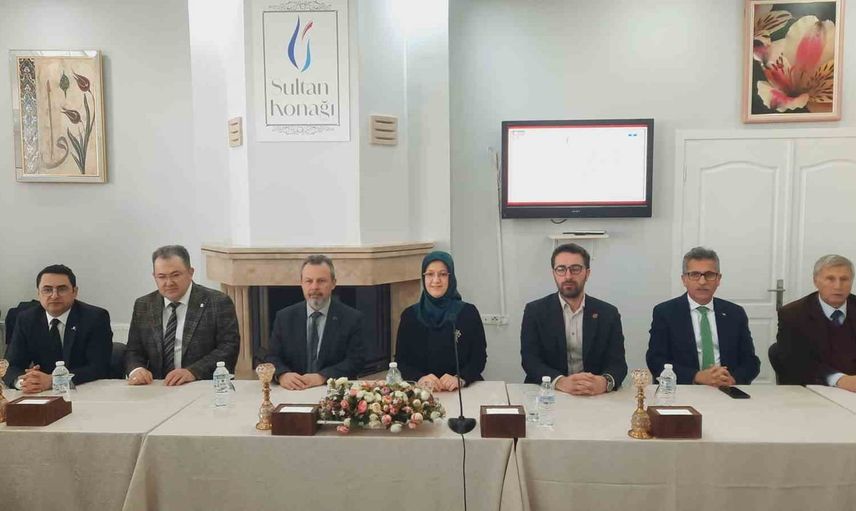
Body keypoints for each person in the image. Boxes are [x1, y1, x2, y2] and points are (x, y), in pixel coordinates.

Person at [521, 243, 627, 395]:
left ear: (587, 273)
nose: (568, 276)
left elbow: (618, 363)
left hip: (594, 394)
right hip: (549, 392)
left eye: (575, 269)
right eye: (561, 269)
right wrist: (560, 381)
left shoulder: (608, 313)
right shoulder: (535, 311)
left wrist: (604, 382)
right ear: (553, 273)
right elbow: (530, 360)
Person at [125, 245, 239, 385]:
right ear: (154, 277)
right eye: (161, 277)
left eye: (176, 275)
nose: (169, 283)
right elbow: (133, 350)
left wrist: (193, 372)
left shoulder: (217, 302)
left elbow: (228, 348)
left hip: (201, 384)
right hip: (157, 386)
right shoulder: (144, 305)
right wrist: (136, 369)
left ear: (190, 273)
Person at [646, 247, 760, 386]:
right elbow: (656, 361)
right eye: (694, 274)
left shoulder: (735, 313)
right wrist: (697, 376)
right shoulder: (665, 312)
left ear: (718, 279)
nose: (702, 281)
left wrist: (732, 379)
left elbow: (751, 362)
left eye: (709, 275)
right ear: (684, 280)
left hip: (726, 387)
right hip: (684, 388)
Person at [3, 264, 113, 392]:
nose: (54, 295)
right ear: (38, 293)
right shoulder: (26, 319)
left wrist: (54, 380)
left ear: (75, 292)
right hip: (41, 393)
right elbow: (11, 365)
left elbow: (98, 367)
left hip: (84, 390)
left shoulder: (95, 318)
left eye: (62, 289)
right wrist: (24, 382)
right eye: (47, 290)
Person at [264, 255, 365, 390]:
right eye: (309, 281)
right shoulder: (284, 317)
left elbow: (356, 361)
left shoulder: (351, 318)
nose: (314, 287)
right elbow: (272, 357)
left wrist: (322, 376)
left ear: (333, 283)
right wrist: (282, 375)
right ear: (301, 283)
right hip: (293, 391)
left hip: (332, 390)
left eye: (321, 281)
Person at [395, 251, 487, 391]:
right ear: (423, 277)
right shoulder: (410, 316)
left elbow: (479, 358)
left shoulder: (468, 313)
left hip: (460, 390)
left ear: (451, 277)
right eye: (430, 274)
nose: (436, 280)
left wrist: (461, 378)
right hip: (421, 391)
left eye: (443, 274)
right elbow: (401, 362)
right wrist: (419, 378)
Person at [773, 254, 856, 390]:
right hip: (814, 388)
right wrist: (839, 379)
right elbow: (794, 361)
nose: (838, 286)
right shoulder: (793, 314)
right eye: (830, 279)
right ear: (816, 281)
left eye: (844, 279)